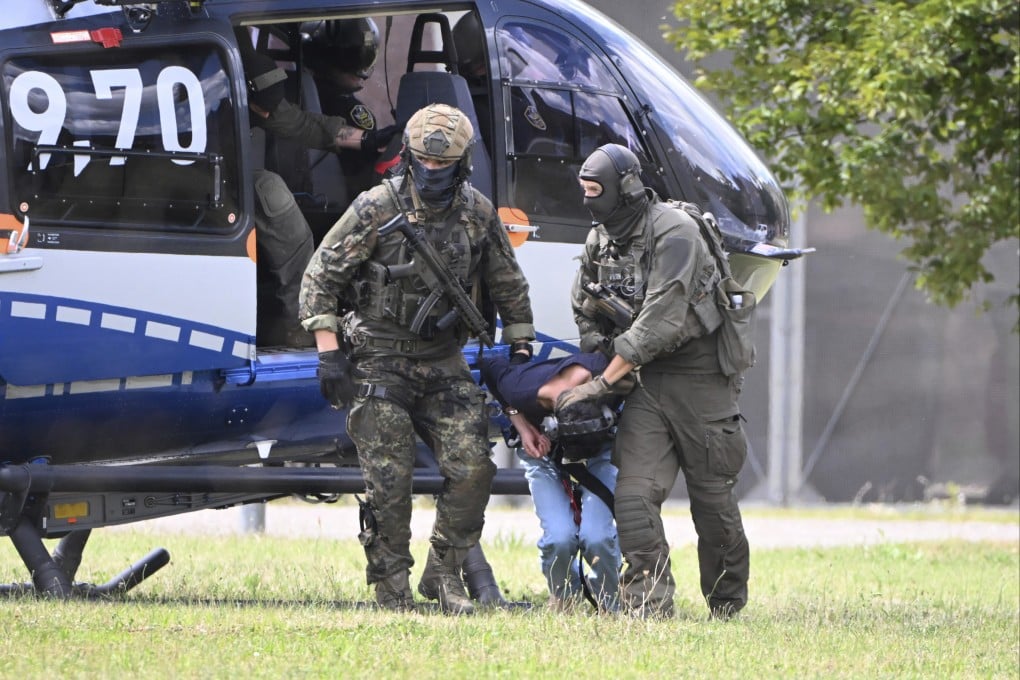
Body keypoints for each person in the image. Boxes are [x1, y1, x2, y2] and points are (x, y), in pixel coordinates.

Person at [298, 103, 535, 614]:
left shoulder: (477, 212)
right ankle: (391, 589)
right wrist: (328, 353)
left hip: (441, 359)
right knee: (390, 478)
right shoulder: (376, 207)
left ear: (462, 163)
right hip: (379, 356)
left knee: (474, 467)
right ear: (408, 156)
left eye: (443, 166)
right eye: (424, 164)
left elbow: (508, 283)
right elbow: (319, 276)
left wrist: (519, 347)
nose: (432, 173)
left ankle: (443, 575)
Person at [556, 143, 752, 620]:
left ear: (624, 187)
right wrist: (599, 344)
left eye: (596, 190)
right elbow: (584, 303)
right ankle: (649, 603)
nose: (589, 200)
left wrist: (601, 384)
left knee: (712, 504)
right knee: (634, 494)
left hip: (701, 379)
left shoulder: (676, 232)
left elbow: (660, 323)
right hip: (648, 380)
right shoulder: (600, 239)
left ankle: (725, 605)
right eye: (584, 191)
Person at [242, 49, 398, 346]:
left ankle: (300, 321)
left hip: (221, 180)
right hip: (202, 185)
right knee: (272, 194)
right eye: (261, 108)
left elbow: (304, 125)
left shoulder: (262, 101)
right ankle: (301, 325)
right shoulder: (198, 98)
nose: (266, 116)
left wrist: (365, 140)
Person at [480, 352, 622, 613]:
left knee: (597, 536)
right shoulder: (522, 388)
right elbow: (489, 366)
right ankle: (564, 599)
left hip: (601, 446)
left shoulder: (607, 371)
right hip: (545, 450)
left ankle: (611, 605)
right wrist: (521, 424)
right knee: (559, 537)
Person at [303, 18, 397, 198]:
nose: (360, 67)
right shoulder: (352, 111)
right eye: (353, 58)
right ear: (325, 59)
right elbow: (366, 178)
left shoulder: (297, 97)